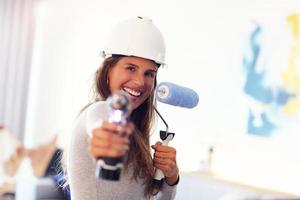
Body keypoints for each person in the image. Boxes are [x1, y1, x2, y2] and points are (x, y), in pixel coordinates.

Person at [67, 16, 179, 200]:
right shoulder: (99, 111)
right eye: (131, 68)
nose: (140, 82)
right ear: (108, 70)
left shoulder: (136, 135)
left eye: (149, 73)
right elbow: (99, 121)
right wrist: (105, 135)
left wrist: (171, 177)